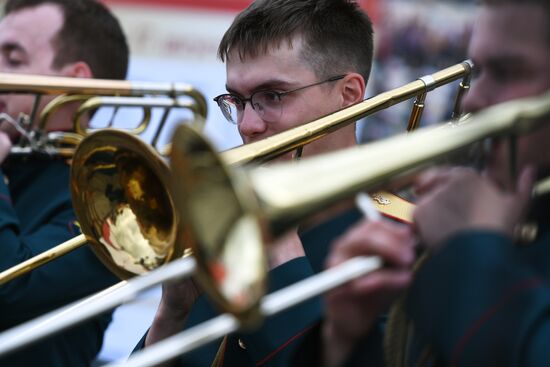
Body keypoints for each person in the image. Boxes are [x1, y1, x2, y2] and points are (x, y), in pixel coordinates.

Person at [294, 0, 550, 366]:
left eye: (506, 71)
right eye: (479, 71)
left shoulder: (475, 251)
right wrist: (343, 342)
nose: (473, 98)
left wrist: (470, 250)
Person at [135, 0, 376, 366]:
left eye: (272, 97)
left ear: (348, 96)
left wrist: (284, 263)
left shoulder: (400, 244)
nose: (247, 125)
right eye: (238, 101)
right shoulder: (229, 229)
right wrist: (171, 317)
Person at [0, 0, 128, 365]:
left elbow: (10, 290)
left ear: (72, 83)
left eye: (13, 59)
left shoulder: (114, 197)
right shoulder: (12, 161)